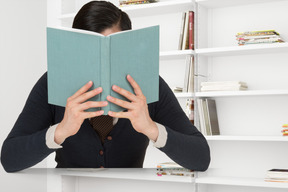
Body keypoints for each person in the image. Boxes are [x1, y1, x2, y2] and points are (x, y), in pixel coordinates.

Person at [1, 1, 210, 173]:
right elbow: (9, 159)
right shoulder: (51, 83)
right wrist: (60, 131)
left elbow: (201, 158)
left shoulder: (149, 86)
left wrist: (150, 128)